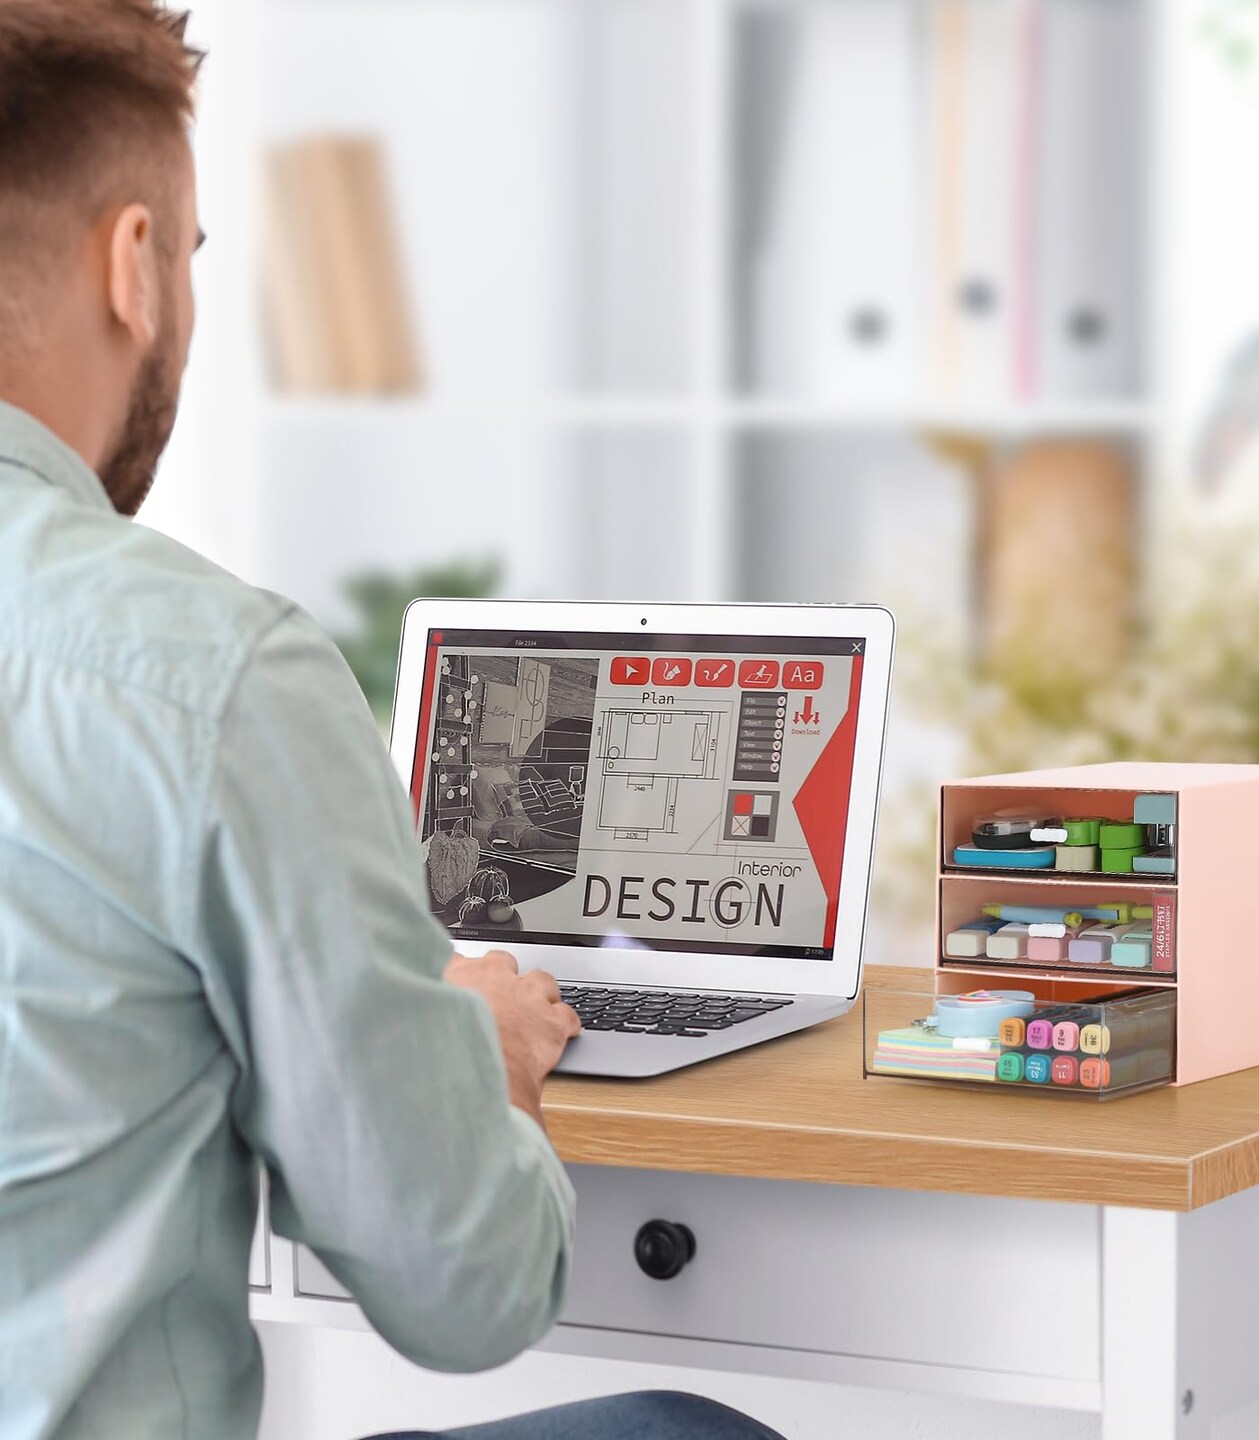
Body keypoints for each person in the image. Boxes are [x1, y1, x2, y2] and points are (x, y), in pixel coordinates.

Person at [0, 6, 785, 1440]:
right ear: (133, 267)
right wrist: (475, 1054)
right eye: (186, 255)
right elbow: (465, 1290)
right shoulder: (205, 677)